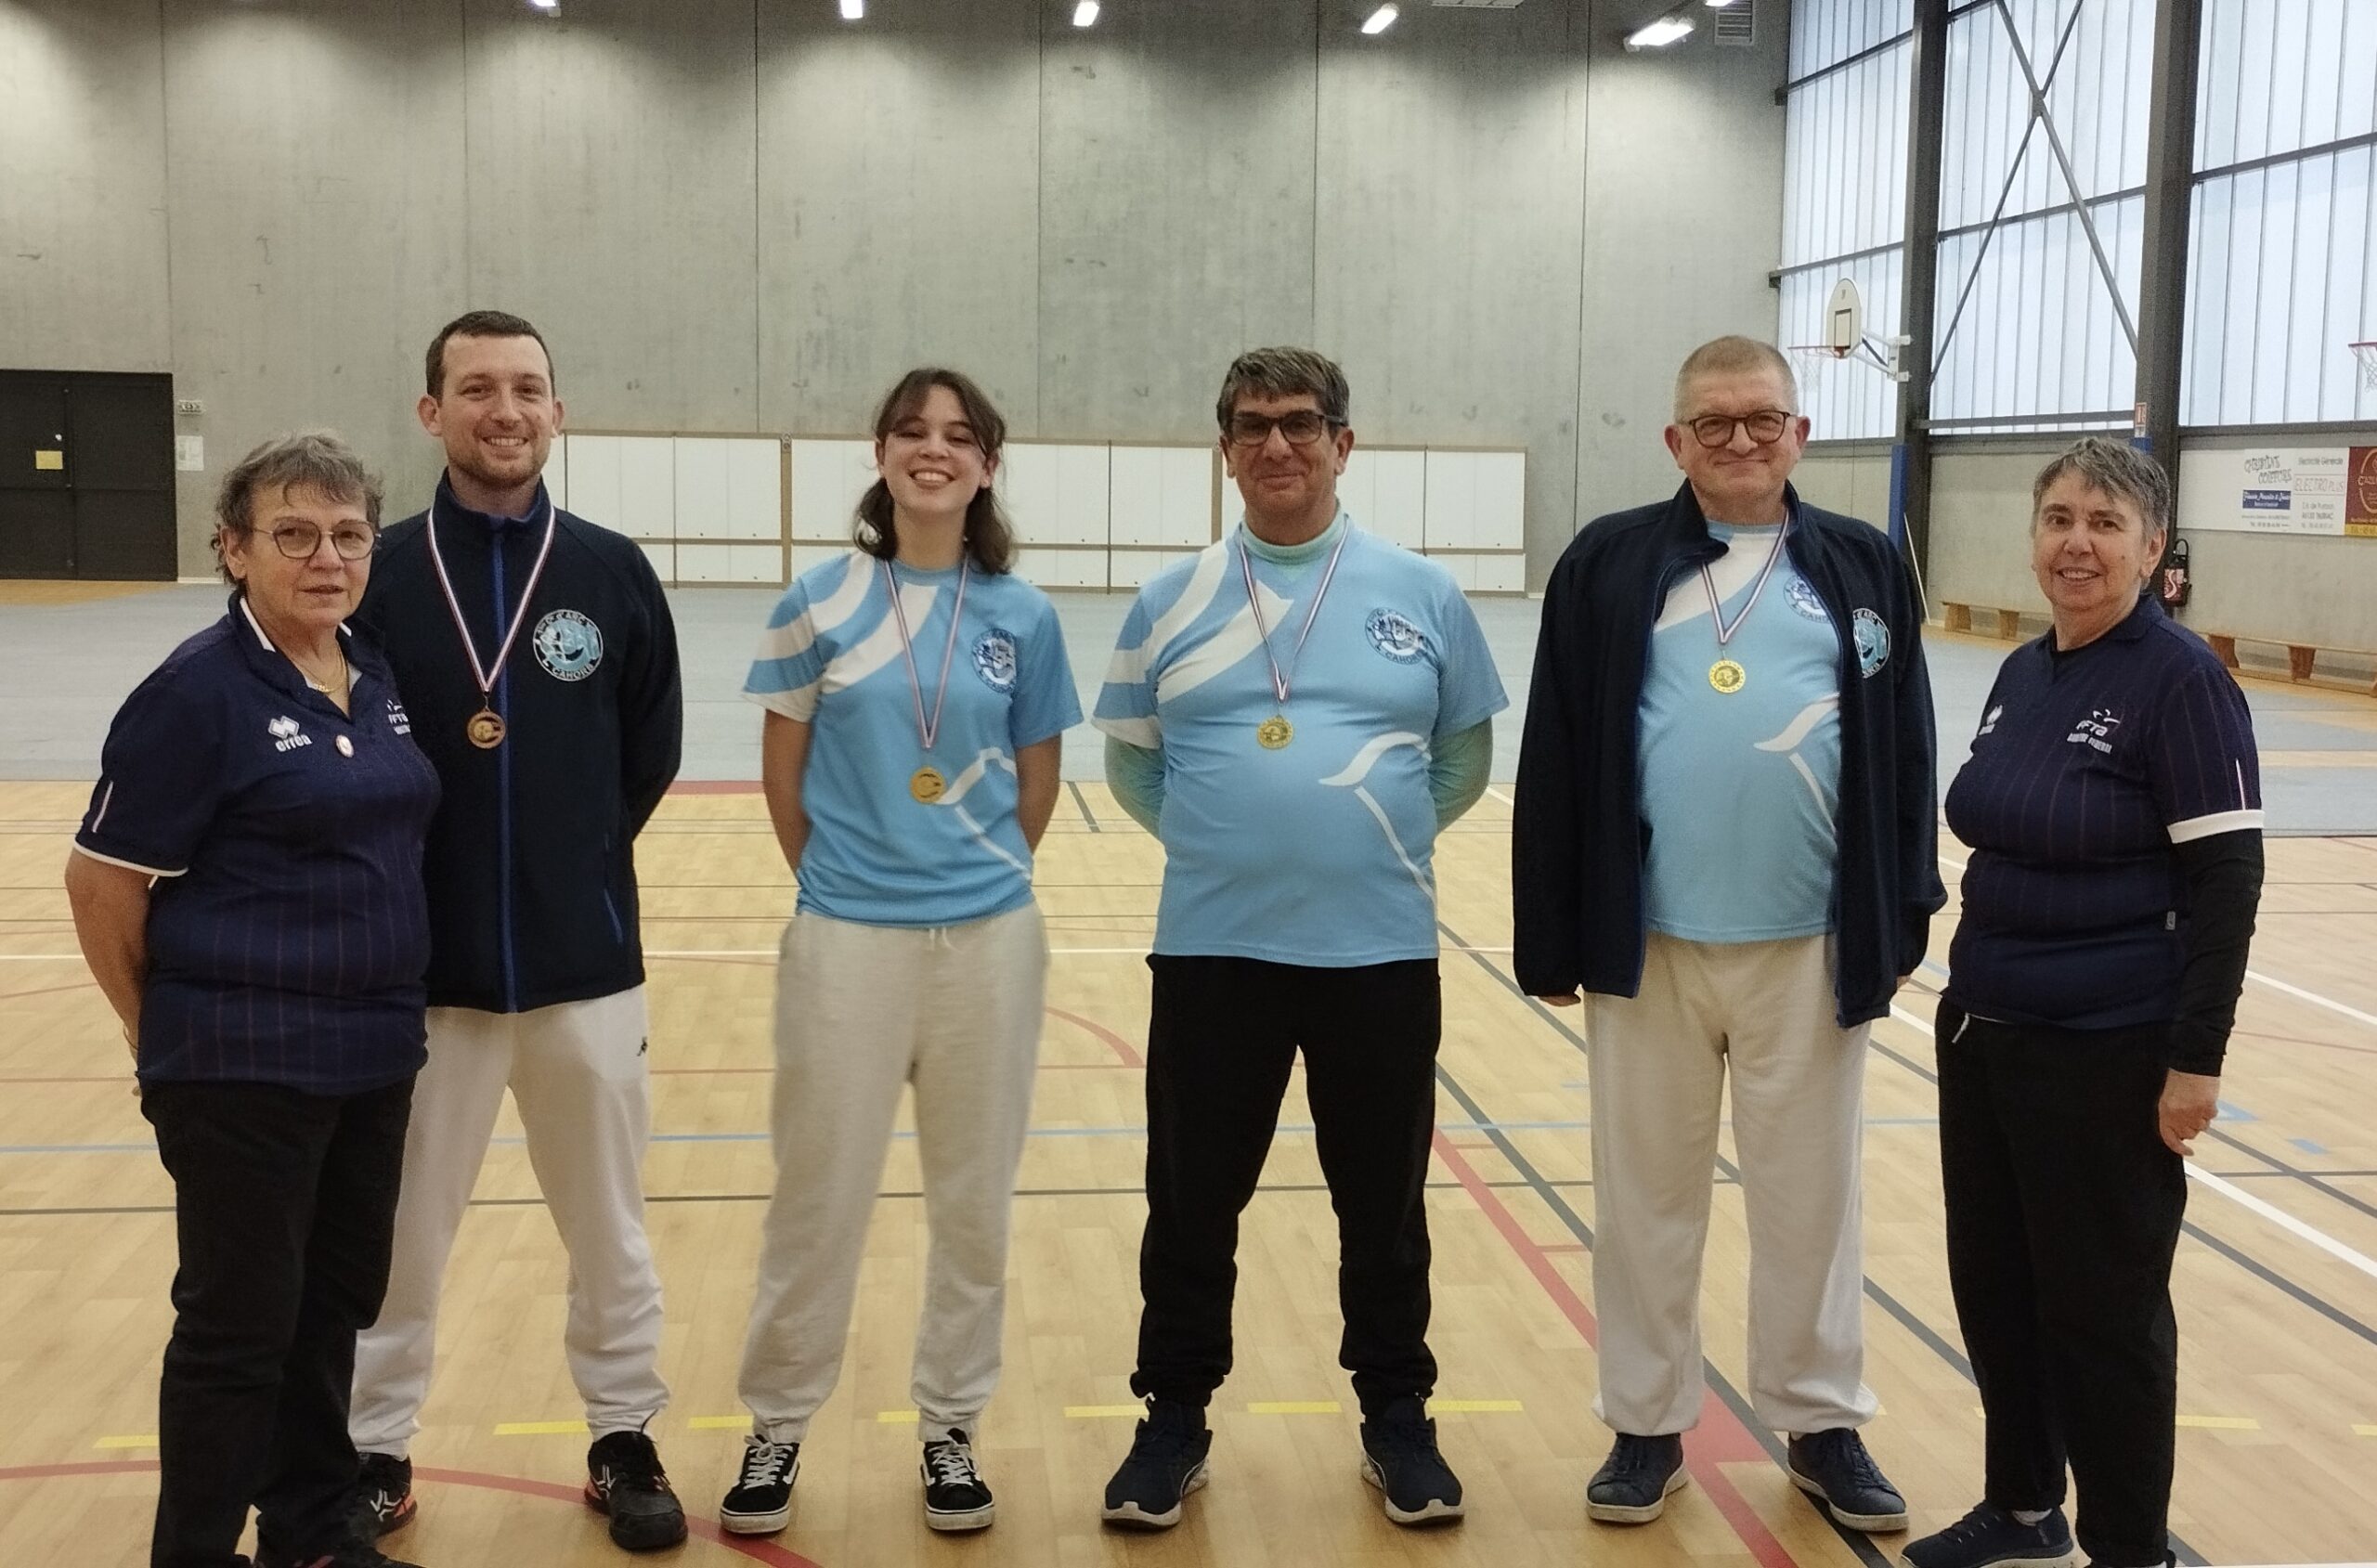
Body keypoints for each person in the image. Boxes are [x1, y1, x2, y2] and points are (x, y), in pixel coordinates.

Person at [1512, 336, 1942, 1532]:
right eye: (1713, 422)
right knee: (1644, 1199)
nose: (1740, 439)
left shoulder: (1861, 564)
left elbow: (1905, 747)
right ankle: (1646, 1424)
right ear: (1676, 441)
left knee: (1812, 1200)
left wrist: (1903, 910)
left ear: (1799, 431)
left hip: (1812, 946)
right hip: (1646, 942)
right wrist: (1551, 933)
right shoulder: (1607, 562)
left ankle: (1820, 1422)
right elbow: (1555, 751)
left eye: (1762, 418)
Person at [1092, 346, 1507, 1531]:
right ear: (1224, 449)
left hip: (1378, 953)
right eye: (1251, 425)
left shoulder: (1420, 592)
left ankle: (1397, 1419)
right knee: (1190, 1205)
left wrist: (1366, 843)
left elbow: (1463, 758)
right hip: (1213, 953)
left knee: (1382, 1208)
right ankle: (1172, 1420)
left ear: (1342, 443)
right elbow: (1131, 764)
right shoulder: (1169, 599)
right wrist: (1229, 848)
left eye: (1300, 423)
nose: (1276, 444)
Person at [344, 310, 688, 1553]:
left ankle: (623, 1433)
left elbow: (647, 752)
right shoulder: (376, 573)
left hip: (583, 969)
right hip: (416, 975)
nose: (506, 410)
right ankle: (373, 1446)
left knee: (610, 1227)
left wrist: (570, 867)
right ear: (432, 411)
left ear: (558, 410)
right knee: (399, 1232)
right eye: (478, 388)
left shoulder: (610, 571)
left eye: (528, 388)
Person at [66, 434, 438, 1568]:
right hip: (242, 1068)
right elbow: (101, 884)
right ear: (233, 549)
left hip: (371, 1057)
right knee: (239, 1329)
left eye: (348, 535)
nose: (326, 558)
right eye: (294, 534)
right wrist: (161, 1035)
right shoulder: (196, 692)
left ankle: (309, 1531)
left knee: (333, 1306)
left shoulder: (369, 672)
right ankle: (192, 1551)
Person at [719, 368, 1080, 1538]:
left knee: (973, 1204)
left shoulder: (1023, 616)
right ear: (880, 453)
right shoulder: (816, 601)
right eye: (913, 432)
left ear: (987, 466)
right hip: (846, 941)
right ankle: (778, 1424)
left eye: (960, 436)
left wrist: (973, 879)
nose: (935, 450)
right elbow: (783, 782)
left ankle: (951, 1426)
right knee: (817, 1198)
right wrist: (852, 887)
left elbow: (1037, 784)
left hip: (990, 943)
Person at [1905, 437, 2263, 1568]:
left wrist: (2195, 1059)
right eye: (2058, 518)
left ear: (2154, 551)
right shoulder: (2024, 671)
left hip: (2109, 1050)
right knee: (1998, 1292)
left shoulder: (2182, 680)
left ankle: (2127, 1547)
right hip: (1985, 1033)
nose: (2076, 542)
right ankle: (2022, 1509)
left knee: (2102, 1316)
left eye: (2105, 523)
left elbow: (2227, 879)